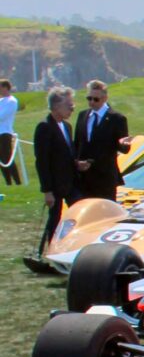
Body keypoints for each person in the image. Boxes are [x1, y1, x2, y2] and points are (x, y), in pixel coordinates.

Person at [34, 85, 80, 254]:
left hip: (71, 183)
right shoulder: (44, 127)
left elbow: (68, 154)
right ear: (56, 106)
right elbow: (42, 161)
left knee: (79, 212)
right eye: (69, 106)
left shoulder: (67, 127)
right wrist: (47, 190)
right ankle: (47, 251)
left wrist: (77, 163)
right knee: (54, 219)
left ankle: (70, 248)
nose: (72, 109)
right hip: (55, 185)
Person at [74, 79, 130, 202]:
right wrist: (77, 162)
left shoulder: (117, 118)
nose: (92, 102)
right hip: (84, 178)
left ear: (105, 98)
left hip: (105, 178)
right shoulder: (83, 116)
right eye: (89, 98)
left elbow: (124, 148)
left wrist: (124, 144)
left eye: (96, 99)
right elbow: (77, 143)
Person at [0, 77, 21, 186]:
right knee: (1, 160)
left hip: (5, 132)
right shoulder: (1, 101)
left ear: (6, 88)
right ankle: (8, 182)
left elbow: (2, 116)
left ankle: (17, 181)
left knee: (7, 158)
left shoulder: (12, 101)